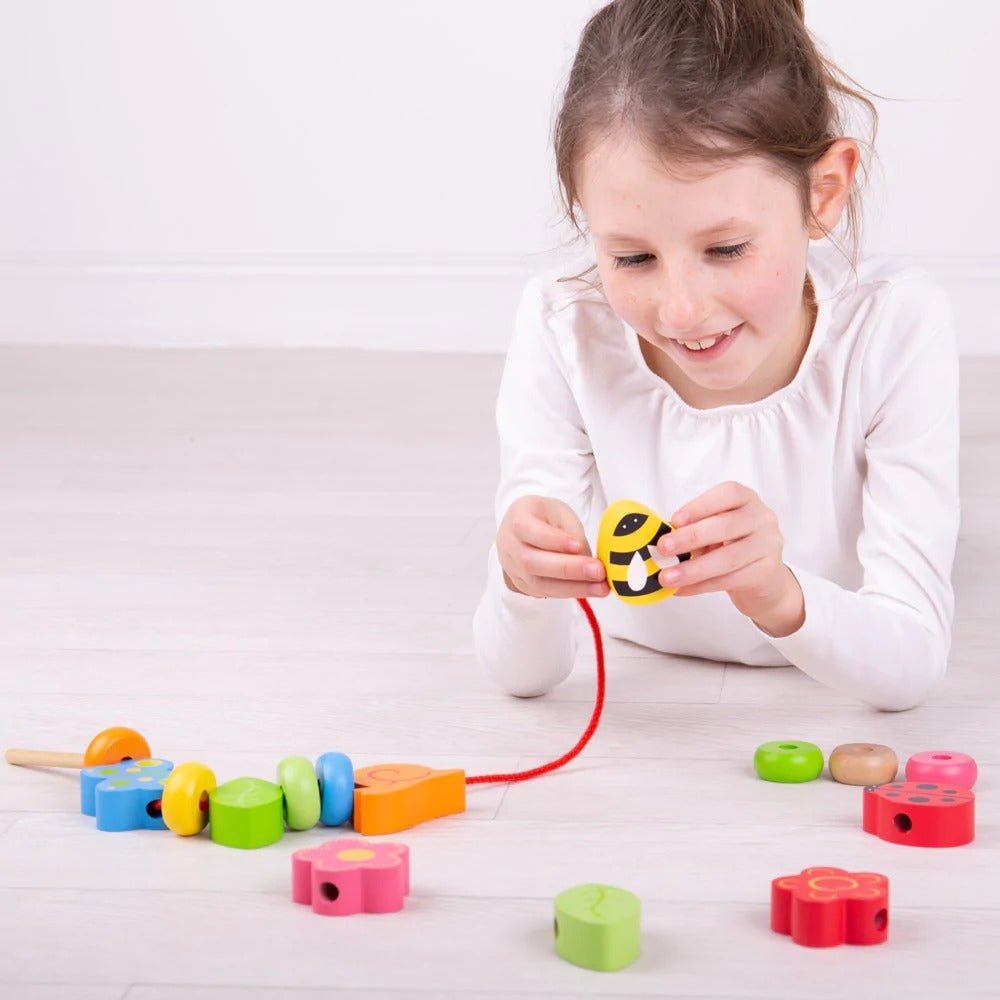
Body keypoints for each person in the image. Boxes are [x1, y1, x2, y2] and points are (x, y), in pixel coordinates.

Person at [472, 0, 959, 712]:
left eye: (726, 249)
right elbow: (524, 676)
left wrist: (779, 592)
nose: (682, 311)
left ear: (824, 192)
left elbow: (911, 662)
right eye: (632, 256)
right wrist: (519, 578)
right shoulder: (563, 323)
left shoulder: (893, 328)